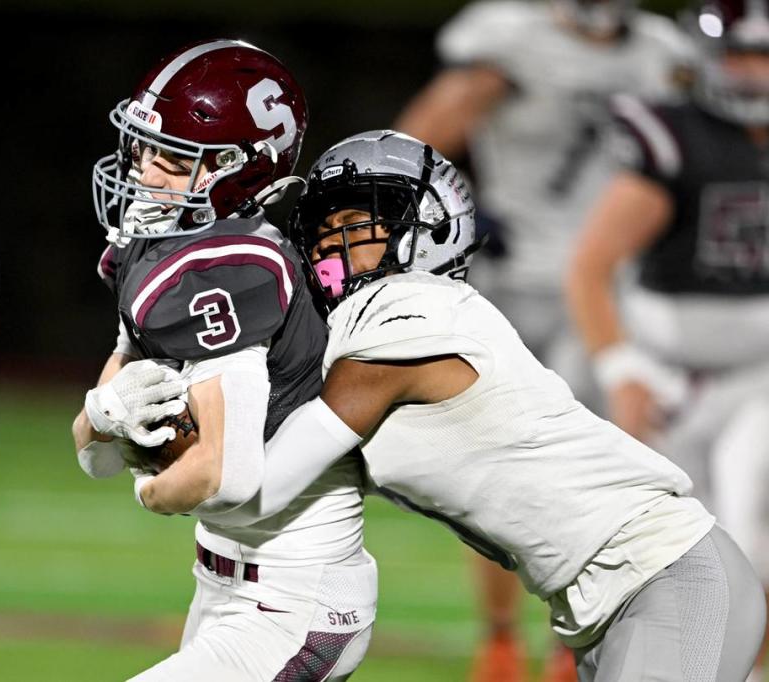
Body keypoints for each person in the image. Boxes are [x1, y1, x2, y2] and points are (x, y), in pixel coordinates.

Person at [120, 130, 767, 681]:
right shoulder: (371, 329)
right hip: (604, 603)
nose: (327, 253)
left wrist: (160, 461)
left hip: (669, 577)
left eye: (353, 228)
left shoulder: (410, 314)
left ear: (426, 228)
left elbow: (262, 486)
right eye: (320, 234)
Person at [393, 3, 697, 676]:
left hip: (611, 292)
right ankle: (501, 635)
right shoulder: (508, 40)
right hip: (515, 285)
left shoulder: (661, 52)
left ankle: (578, 637)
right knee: (494, 470)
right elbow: (412, 148)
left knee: (612, 471)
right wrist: (454, 215)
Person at [71, 39, 376, 682]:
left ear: (241, 169)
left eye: (174, 160)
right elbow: (92, 451)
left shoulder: (235, 267)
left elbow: (223, 474)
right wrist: (106, 413)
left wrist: (146, 485)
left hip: (293, 596)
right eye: (145, 149)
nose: (146, 173)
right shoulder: (154, 246)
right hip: (221, 581)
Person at [567, 1, 769, 678]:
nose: (749, 73)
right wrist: (622, 369)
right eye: (738, 55)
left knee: (753, 534)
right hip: (670, 377)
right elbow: (591, 265)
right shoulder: (676, 136)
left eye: (761, 55)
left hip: (760, 375)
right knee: (641, 554)